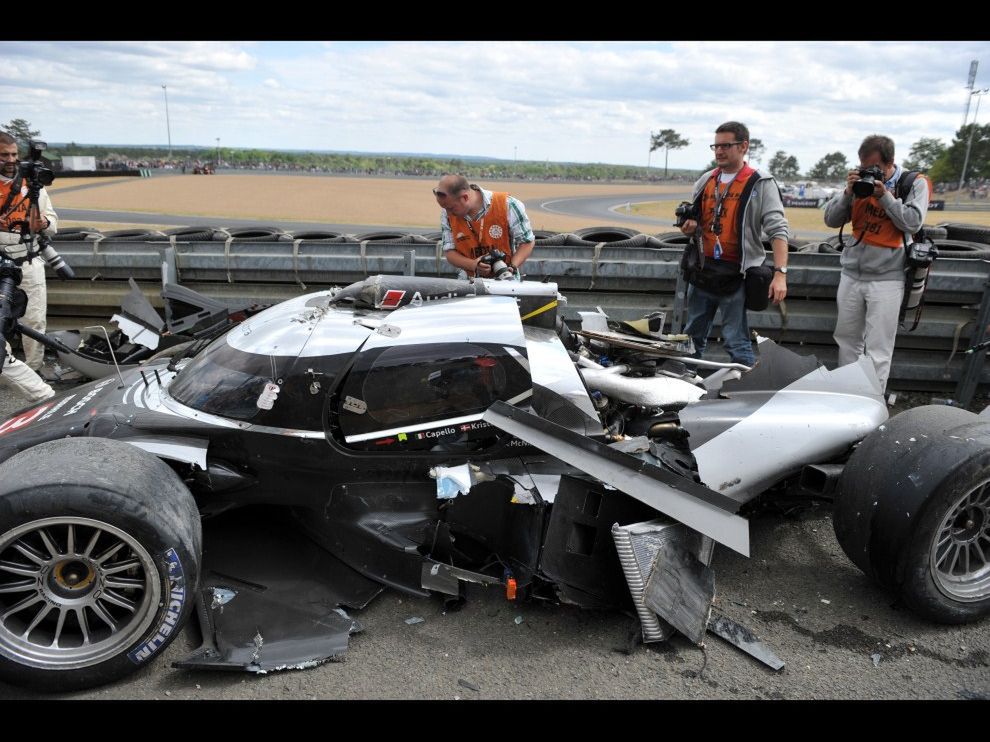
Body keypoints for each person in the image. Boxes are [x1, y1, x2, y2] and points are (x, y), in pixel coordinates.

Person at [678, 122, 789, 366]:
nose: (719, 151)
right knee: (691, 340)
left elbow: (778, 230)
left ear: (743, 146)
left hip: (736, 276)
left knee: (735, 341)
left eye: (726, 145)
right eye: (715, 146)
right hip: (702, 272)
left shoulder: (761, 183)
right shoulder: (706, 180)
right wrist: (690, 228)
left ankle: (749, 392)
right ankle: (685, 391)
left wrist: (780, 274)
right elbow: (696, 223)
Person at [824, 134, 929, 392]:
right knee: (847, 341)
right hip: (851, 274)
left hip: (888, 278)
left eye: (874, 168)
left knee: (879, 349)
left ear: (890, 162)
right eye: (864, 167)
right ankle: (846, 395)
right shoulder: (859, 183)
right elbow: (830, 220)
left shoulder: (914, 183)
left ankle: (873, 401)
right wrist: (848, 193)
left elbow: (913, 222)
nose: (869, 172)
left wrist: (885, 197)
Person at [0, 132, 58, 373]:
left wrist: (43, 223)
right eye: (4, 155)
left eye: (14, 154)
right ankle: (7, 371)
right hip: (2, 263)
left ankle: (33, 370)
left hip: (29, 261)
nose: (10, 159)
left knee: (34, 321)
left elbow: (54, 224)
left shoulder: (35, 186)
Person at [435, 175, 535, 279]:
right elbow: (450, 252)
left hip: (506, 284)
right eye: (445, 208)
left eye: (451, 208)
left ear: (465, 197)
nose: (448, 213)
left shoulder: (508, 205)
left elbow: (527, 242)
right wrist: (474, 265)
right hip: (469, 286)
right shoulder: (447, 213)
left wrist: (511, 267)